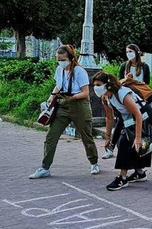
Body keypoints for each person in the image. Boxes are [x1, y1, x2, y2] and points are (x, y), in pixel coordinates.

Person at [29, 44, 99, 179]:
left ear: (71, 58)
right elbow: (58, 85)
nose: (60, 62)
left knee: (86, 136)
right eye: (58, 59)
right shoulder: (59, 70)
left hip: (79, 106)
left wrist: (71, 97)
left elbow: (85, 93)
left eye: (63, 59)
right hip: (62, 106)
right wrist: (52, 96)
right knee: (51, 136)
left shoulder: (79, 71)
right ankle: (45, 167)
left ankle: (94, 162)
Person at [92, 71, 152, 191]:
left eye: (99, 84)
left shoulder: (122, 93)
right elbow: (109, 118)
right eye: (94, 85)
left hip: (143, 116)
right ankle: (139, 172)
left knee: (125, 143)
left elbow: (137, 114)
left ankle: (122, 177)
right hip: (128, 118)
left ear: (107, 85)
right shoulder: (105, 97)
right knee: (129, 144)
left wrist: (137, 137)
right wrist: (108, 138)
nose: (96, 88)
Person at [102, 44, 151, 160]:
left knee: (142, 124)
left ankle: (143, 147)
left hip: (139, 99)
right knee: (120, 123)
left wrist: (133, 81)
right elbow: (118, 83)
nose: (128, 53)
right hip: (125, 99)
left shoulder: (144, 67)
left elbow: (147, 85)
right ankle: (111, 148)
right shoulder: (124, 66)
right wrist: (126, 80)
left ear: (137, 52)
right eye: (127, 51)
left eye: (130, 51)